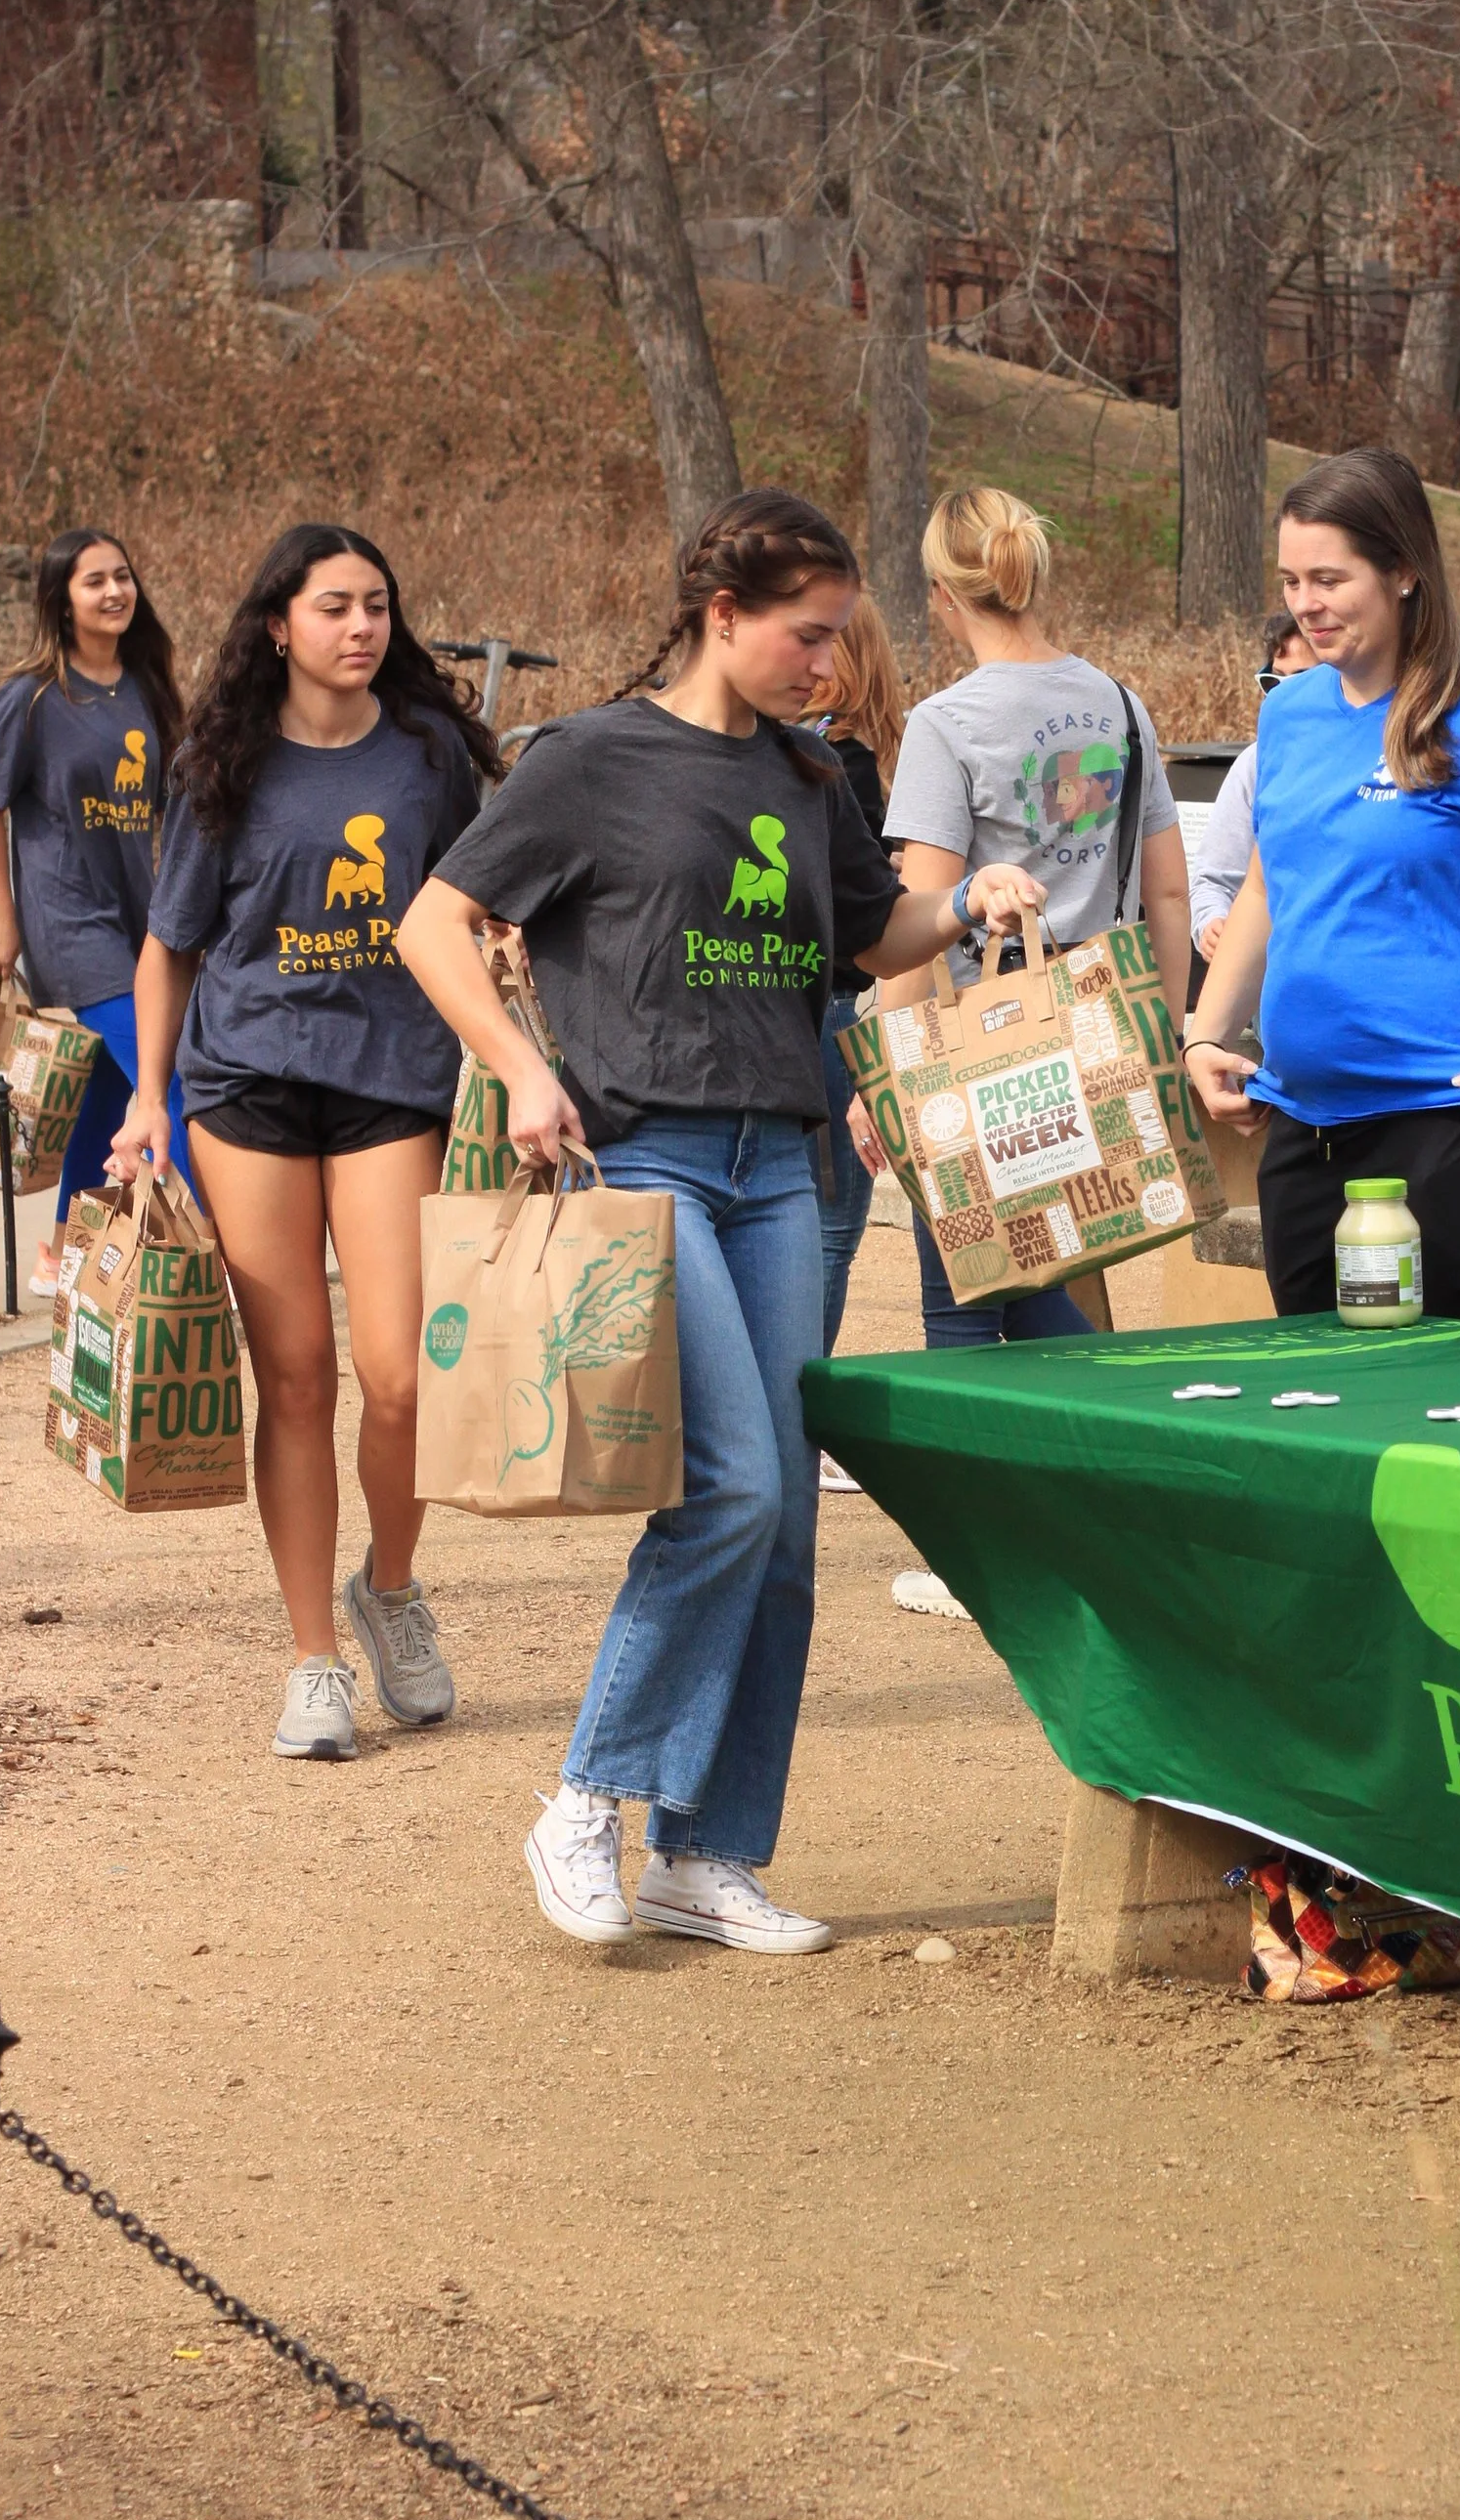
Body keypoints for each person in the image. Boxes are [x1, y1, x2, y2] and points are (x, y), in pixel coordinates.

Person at [398, 487, 1048, 1954]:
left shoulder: (814, 778)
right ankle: (587, 1793)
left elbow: (873, 935)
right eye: (808, 636)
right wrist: (519, 1068)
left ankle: (707, 1854)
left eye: (839, 639)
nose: (829, 664)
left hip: (785, 1165)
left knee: (788, 1542)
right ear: (724, 614)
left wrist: (971, 904)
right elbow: (434, 922)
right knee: (737, 1490)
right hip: (645, 1156)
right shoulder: (590, 758)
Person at [111, 525, 494, 1761]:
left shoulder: (430, 752)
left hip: (395, 1076)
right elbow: (170, 943)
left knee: (400, 1374)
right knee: (294, 1376)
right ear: (280, 624)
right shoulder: (221, 759)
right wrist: (146, 1101)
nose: (363, 627)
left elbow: (476, 907)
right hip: (249, 1084)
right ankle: (312, 1661)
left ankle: (386, 1589)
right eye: (335, 606)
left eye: (378, 604)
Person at [1183, 447, 1460, 1326]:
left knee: (1455, 1427)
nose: (1305, 604)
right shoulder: (1290, 710)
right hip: (1301, 1132)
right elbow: (1266, 882)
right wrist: (1204, 1035)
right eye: (1291, 579)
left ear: (1405, 569)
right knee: (1327, 1426)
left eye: (1330, 578)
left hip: (1453, 1133)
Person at [879, 482, 1188, 1349]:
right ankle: (1107, 1417)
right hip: (1104, 1026)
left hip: (989, 1040)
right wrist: (1164, 1029)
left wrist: (892, 1074)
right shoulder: (1123, 707)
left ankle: (998, 1473)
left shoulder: (945, 724)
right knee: (1030, 1274)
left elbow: (924, 920)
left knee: (966, 1293)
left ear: (943, 595)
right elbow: (1167, 890)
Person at [0, 530, 191, 1290]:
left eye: (123, 576)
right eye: (96, 582)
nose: (116, 591)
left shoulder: (145, 687)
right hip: (68, 921)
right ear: (63, 600)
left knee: (110, 1090)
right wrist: (3, 916)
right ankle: (202, 1251)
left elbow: (172, 808)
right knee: (172, 1077)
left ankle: (62, 1251)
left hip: (139, 915)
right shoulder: (31, 698)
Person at [814, 592, 906, 1383]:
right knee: (827, 1227)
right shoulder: (830, 755)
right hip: (822, 1011)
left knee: (826, 1225)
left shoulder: (840, 758)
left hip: (825, 1010)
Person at [1190, 608, 1317, 963]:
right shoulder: (1256, 764)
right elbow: (1214, 879)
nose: (1282, 697)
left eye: (1303, 680)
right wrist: (1212, 922)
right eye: (1273, 682)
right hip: (1270, 987)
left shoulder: (1381, 756)